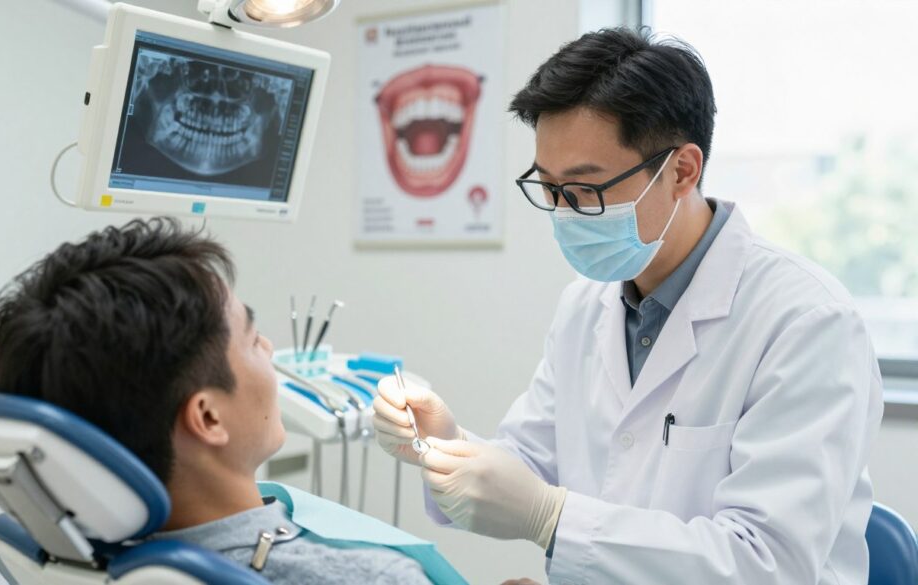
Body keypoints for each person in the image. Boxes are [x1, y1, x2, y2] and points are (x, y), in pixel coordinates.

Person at [373, 27, 883, 585]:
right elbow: (527, 470)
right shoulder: (585, 306)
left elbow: (767, 564)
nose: (564, 212)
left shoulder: (806, 322)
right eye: (548, 188)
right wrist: (446, 445)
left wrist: (552, 518)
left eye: (586, 189)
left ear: (682, 170)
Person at [0, 217, 445, 585]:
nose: (268, 349)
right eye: (252, 338)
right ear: (207, 416)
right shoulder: (371, 578)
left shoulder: (68, 559)